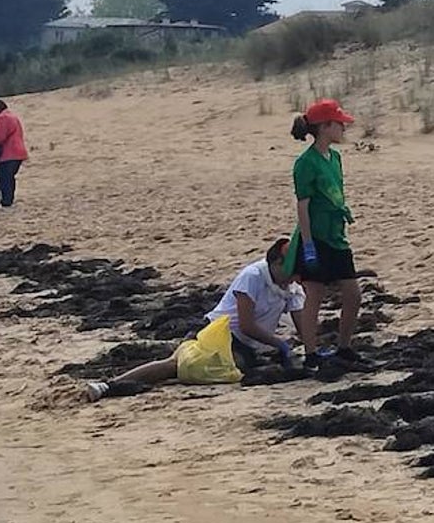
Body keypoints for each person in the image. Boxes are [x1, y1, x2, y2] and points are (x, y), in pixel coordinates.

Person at [85, 238, 306, 401]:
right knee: (176, 364)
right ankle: (109, 386)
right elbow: (247, 325)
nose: (294, 277)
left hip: (248, 347)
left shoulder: (291, 288)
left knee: (240, 368)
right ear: (275, 262)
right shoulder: (253, 277)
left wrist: (313, 351)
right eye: (290, 269)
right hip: (218, 333)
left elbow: (302, 325)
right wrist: (280, 344)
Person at [285, 98, 375, 376]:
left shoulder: (335, 158)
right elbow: (303, 206)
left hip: (337, 236)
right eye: (339, 124)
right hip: (316, 238)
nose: (344, 128)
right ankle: (311, 354)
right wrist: (309, 245)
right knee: (315, 295)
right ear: (325, 127)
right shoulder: (305, 163)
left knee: (353, 293)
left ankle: (344, 347)